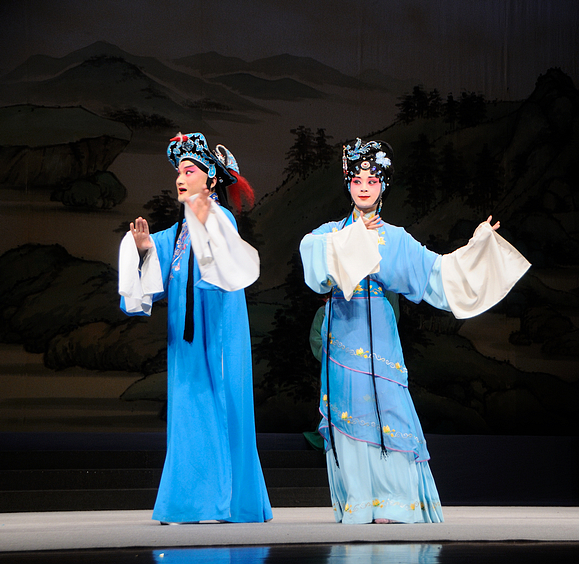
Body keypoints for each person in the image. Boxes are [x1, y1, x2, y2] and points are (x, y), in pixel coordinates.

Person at [299, 139, 530, 524]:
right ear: (348, 183)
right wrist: (352, 239)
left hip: (379, 332)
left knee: (390, 408)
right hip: (343, 332)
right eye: (357, 180)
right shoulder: (330, 233)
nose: (364, 187)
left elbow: (438, 273)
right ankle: (360, 501)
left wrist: (477, 247)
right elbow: (313, 264)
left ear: (383, 185)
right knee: (348, 412)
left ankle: (394, 502)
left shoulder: (395, 239)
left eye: (372, 180)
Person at [118, 132, 272, 524]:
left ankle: (223, 502)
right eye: (179, 172)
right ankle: (189, 503)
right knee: (188, 411)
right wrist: (142, 249)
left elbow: (225, 258)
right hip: (185, 340)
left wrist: (205, 220)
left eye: (189, 171)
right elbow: (153, 268)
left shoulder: (220, 219)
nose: (180, 178)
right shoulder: (177, 233)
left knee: (218, 404)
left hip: (217, 331)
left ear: (211, 179)